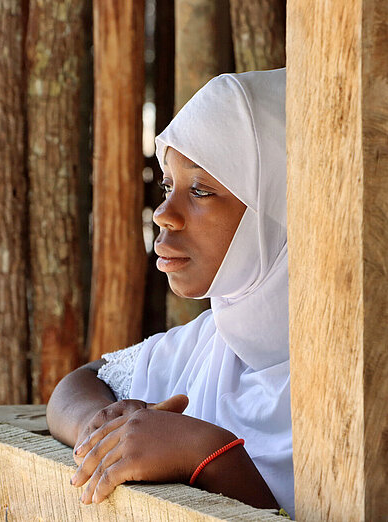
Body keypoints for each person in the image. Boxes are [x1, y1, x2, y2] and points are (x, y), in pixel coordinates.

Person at [46, 68, 293, 518]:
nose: (164, 214)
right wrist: (102, 428)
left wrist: (208, 454)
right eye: (167, 186)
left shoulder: (355, 377)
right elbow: (78, 384)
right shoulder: (217, 341)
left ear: (278, 207)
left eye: (200, 190)